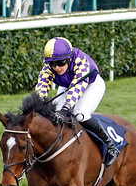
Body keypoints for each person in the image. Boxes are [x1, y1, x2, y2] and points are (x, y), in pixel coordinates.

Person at [35, 37, 120, 166]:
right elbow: (42, 85)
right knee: (55, 113)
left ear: (69, 59)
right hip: (69, 83)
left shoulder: (82, 62)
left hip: (91, 84)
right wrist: (38, 104)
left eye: (61, 63)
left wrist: (66, 108)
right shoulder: (50, 67)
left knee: (80, 114)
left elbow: (76, 89)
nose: (57, 68)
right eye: (53, 64)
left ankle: (111, 146)